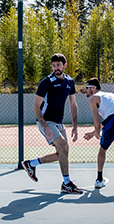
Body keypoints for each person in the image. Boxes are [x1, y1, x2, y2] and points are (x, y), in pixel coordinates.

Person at [21, 53, 82, 194]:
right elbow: (36, 106)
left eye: (58, 65)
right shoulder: (46, 82)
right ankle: (66, 183)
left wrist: (75, 126)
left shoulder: (70, 82)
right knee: (63, 146)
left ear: (65, 65)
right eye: (54, 65)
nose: (56, 68)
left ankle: (31, 164)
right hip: (46, 121)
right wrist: (44, 126)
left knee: (63, 152)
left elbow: (73, 104)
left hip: (58, 122)